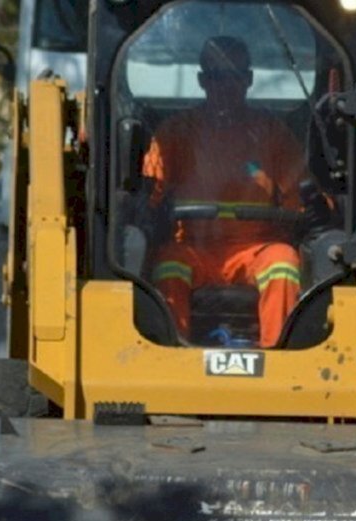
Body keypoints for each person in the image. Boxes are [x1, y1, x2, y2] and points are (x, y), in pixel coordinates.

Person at [144, 35, 317, 348]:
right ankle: (172, 353)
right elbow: (149, 195)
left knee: (284, 262)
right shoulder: (175, 133)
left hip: (255, 248)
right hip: (193, 246)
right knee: (168, 263)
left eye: (234, 76)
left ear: (248, 80)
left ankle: (277, 360)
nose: (225, 86)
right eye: (215, 76)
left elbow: (299, 196)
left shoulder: (272, 133)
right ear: (201, 80)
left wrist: (316, 209)